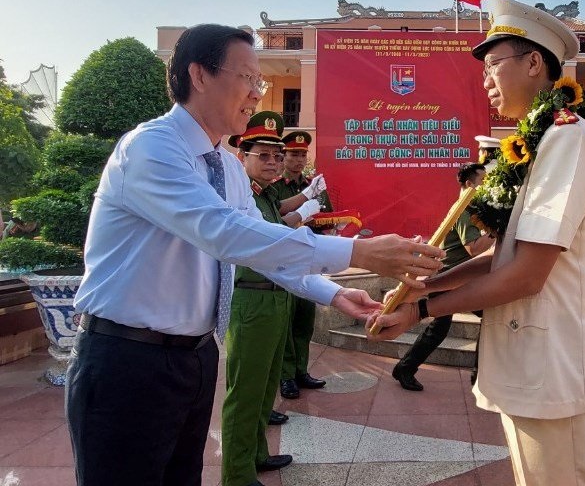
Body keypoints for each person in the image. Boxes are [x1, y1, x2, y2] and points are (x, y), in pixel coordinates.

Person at [66, 24, 444, 486]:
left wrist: (332, 294)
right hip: (126, 359)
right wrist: (359, 251)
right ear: (200, 75)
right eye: (248, 78)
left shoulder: (225, 163)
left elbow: (261, 243)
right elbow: (225, 235)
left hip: (195, 357)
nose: (256, 94)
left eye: (260, 83)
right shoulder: (151, 147)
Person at [368, 0, 585, 486]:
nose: (485, 79)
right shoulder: (540, 141)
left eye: (494, 64)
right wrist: (430, 284)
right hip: (529, 359)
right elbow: (505, 255)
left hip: (552, 364)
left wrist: (420, 312)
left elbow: (526, 273)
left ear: (534, 62)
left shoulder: (568, 139)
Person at [221, 110, 325, 483]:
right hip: (252, 300)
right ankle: (236, 475)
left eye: (276, 156)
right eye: (262, 155)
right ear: (242, 156)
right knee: (244, 394)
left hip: (276, 297)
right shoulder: (241, 195)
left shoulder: (263, 197)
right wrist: (305, 215)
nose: (272, 162)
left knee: (265, 390)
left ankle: (257, 456)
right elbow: (270, 240)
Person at [391, 163, 494, 391]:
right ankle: (407, 368)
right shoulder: (465, 209)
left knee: (485, 317)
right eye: (483, 181)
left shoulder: (469, 207)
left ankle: (478, 374)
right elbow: (474, 248)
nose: (486, 185)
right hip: (448, 277)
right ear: (469, 184)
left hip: (456, 277)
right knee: (443, 326)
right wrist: (498, 230)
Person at [273, 130, 332, 400]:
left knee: (304, 320)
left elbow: (327, 217)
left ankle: (300, 370)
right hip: (284, 263)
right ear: (284, 156)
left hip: (309, 262)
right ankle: (285, 377)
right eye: (293, 154)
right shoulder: (274, 187)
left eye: (302, 154)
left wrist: (332, 227)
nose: (298, 159)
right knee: (285, 323)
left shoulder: (315, 185)